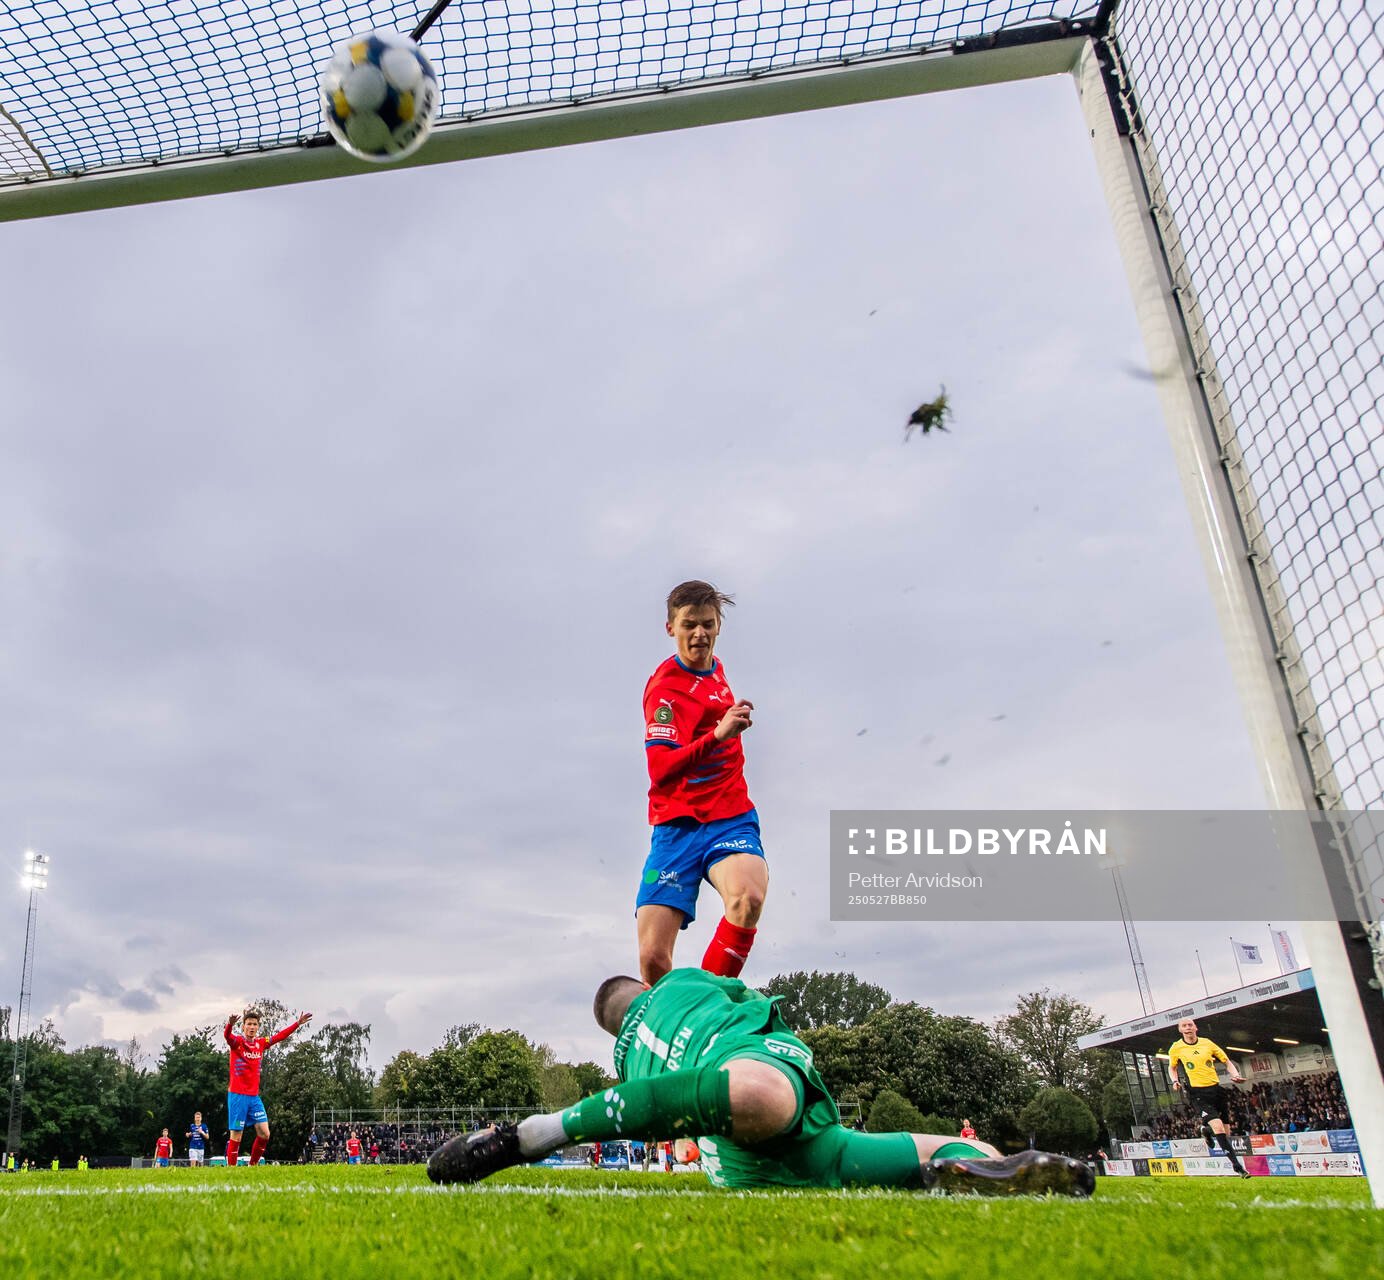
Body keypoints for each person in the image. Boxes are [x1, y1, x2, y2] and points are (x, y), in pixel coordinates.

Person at [429, 968, 1093, 1197]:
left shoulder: (629, 1067)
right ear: (645, 992)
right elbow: (744, 984)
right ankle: (539, 1135)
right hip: (775, 1098)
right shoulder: (685, 983)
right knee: (955, 1146)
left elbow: (645, 1107)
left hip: (746, 1168)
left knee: (758, 1109)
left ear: (612, 1031)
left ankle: (963, 1174)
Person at [637, 581, 767, 986]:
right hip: (677, 825)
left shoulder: (717, 669)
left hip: (730, 816)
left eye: (708, 624)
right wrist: (718, 736)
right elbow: (660, 769)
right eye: (689, 625)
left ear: (718, 625)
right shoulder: (665, 691)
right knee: (654, 961)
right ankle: (664, 1031)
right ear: (670, 628)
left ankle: (709, 1009)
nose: (700, 634)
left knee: (748, 897)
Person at [224, 1007, 312, 1166]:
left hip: (254, 1097)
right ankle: (231, 1169)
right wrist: (229, 1025)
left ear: (258, 1027)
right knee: (236, 1135)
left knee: (265, 1133)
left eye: (255, 1024)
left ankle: (253, 1166)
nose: (252, 1027)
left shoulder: (260, 1043)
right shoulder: (238, 1042)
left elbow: (279, 1037)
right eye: (249, 1024)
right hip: (238, 1096)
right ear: (243, 1026)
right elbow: (227, 1037)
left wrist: (297, 1024)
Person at [1168, 1017, 1249, 1177]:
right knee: (1218, 1127)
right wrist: (1175, 1081)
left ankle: (1207, 1131)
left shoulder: (1207, 1043)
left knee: (1226, 1133)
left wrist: (1235, 1074)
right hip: (1197, 1094)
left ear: (1195, 1027)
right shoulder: (1176, 1048)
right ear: (1180, 1030)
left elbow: (1227, 1061)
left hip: (1216, 1091)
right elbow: (1173, 1067)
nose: (1188, 1027)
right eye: (1184, 1026)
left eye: (1190, 1024)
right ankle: (1237, 1166)